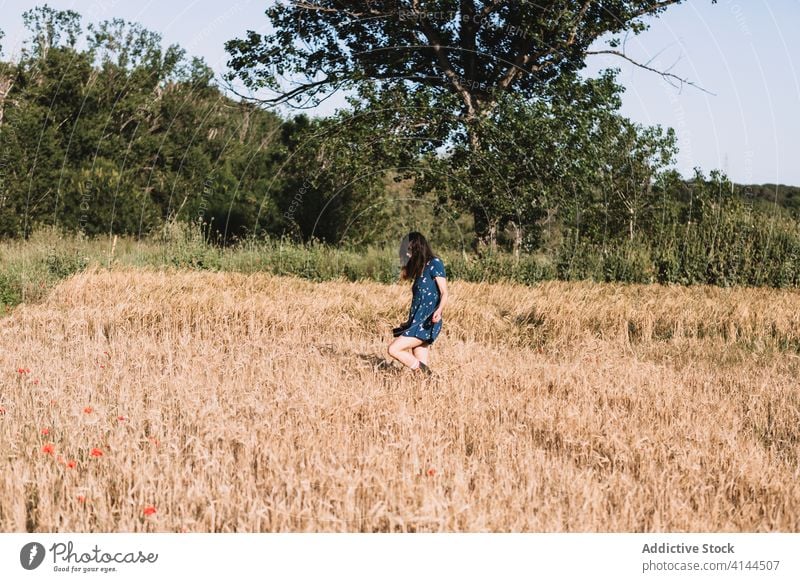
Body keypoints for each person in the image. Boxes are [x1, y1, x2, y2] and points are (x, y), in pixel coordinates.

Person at [388, 232, 448, 374]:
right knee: (419, 369)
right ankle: (428, 383)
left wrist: (439, 311)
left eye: (409, 250)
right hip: (417, 321)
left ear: (418, 248)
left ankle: (428, 373)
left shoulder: (435, 264)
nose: (408, 255)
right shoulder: (420, 270)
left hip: (428, 321)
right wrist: (409, 322)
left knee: (393, 349)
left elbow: (444, 292)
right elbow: (419, 301)